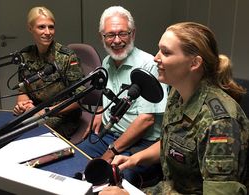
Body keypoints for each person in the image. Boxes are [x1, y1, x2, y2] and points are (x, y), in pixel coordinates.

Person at [99, 22, 249, 195]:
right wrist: (134, 159)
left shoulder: (220, 123)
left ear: (194, 63)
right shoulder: (177, 94)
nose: (156, 58)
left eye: (166, 52)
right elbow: (172, 143)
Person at [76, 6, 169, 188]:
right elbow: (109, 93)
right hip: (111, 134)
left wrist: (111, 151)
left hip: (143, 142)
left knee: (115, 179)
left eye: (122, 34)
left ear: (132, 34)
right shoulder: (107, 62)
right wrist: (100, 112)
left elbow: (146, 121)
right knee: (77, 158)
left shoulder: (149, 65)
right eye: (110, 35)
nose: (116, 41)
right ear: (102, 37)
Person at [13, 6, 84, 139]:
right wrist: (23, 105)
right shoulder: (25, 56)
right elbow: (23, 90)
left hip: (63, 115)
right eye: (41, 27)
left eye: (51, 27)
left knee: (31, 138)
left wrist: (46, 112)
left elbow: (79, 98)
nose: (48, 32)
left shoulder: (66, 57)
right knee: (12, 132)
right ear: (30, 28)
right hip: (36, 112)